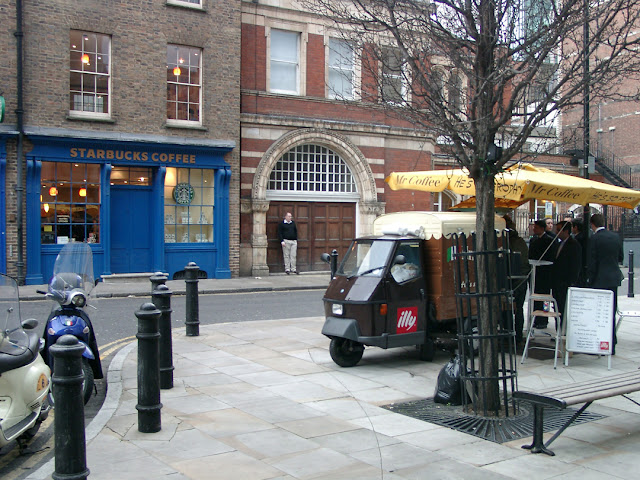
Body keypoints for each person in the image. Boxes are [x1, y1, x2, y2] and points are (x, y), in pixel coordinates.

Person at [587, 213, 624, 354]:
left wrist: (590, 279)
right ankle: (612, 343)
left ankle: (600, 342)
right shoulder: (615, 237)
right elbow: (620, 257)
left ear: (592, 224)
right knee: (611, 311)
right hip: (613, 279)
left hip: (599, 280)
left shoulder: (595, 238)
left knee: (599, 314)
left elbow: (592, 261)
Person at [551, 220, 582, 333]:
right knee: (557, 307)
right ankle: (559, 330)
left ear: (566, 231)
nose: (556, 232)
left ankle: (565, 331)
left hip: (565, 282)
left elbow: (575, 265)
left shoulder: (574, 245)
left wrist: (571, 282)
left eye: (559, 230)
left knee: (564, 308)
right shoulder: (559, 244)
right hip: (556, 282)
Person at [503, 215, 530, 345]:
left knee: (508, 309)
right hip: (521, 279)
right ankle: (517, 336)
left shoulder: (507, 241)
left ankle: (509, 334)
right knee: (518, 309)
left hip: (512, 280)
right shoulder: (520, 241)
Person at [529, 219, 556, 328]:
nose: (534, 229)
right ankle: (536, 317)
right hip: (535, 272)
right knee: (535, 296)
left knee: (544, 296)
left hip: (544, 273)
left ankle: (543, 320)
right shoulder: (533, 239)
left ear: (542, 228)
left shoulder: (548, 240)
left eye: (536, 227)